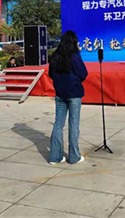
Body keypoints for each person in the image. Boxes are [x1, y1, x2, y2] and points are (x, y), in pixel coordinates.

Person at [47, 30, 88, 165]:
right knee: (73, 125)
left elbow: (51, 74)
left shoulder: (55, 56)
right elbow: (83, 73)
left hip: (60, 93)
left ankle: (55, 157)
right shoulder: (74, 56)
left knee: (58, 124)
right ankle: (74, 156)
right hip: (74, 93)